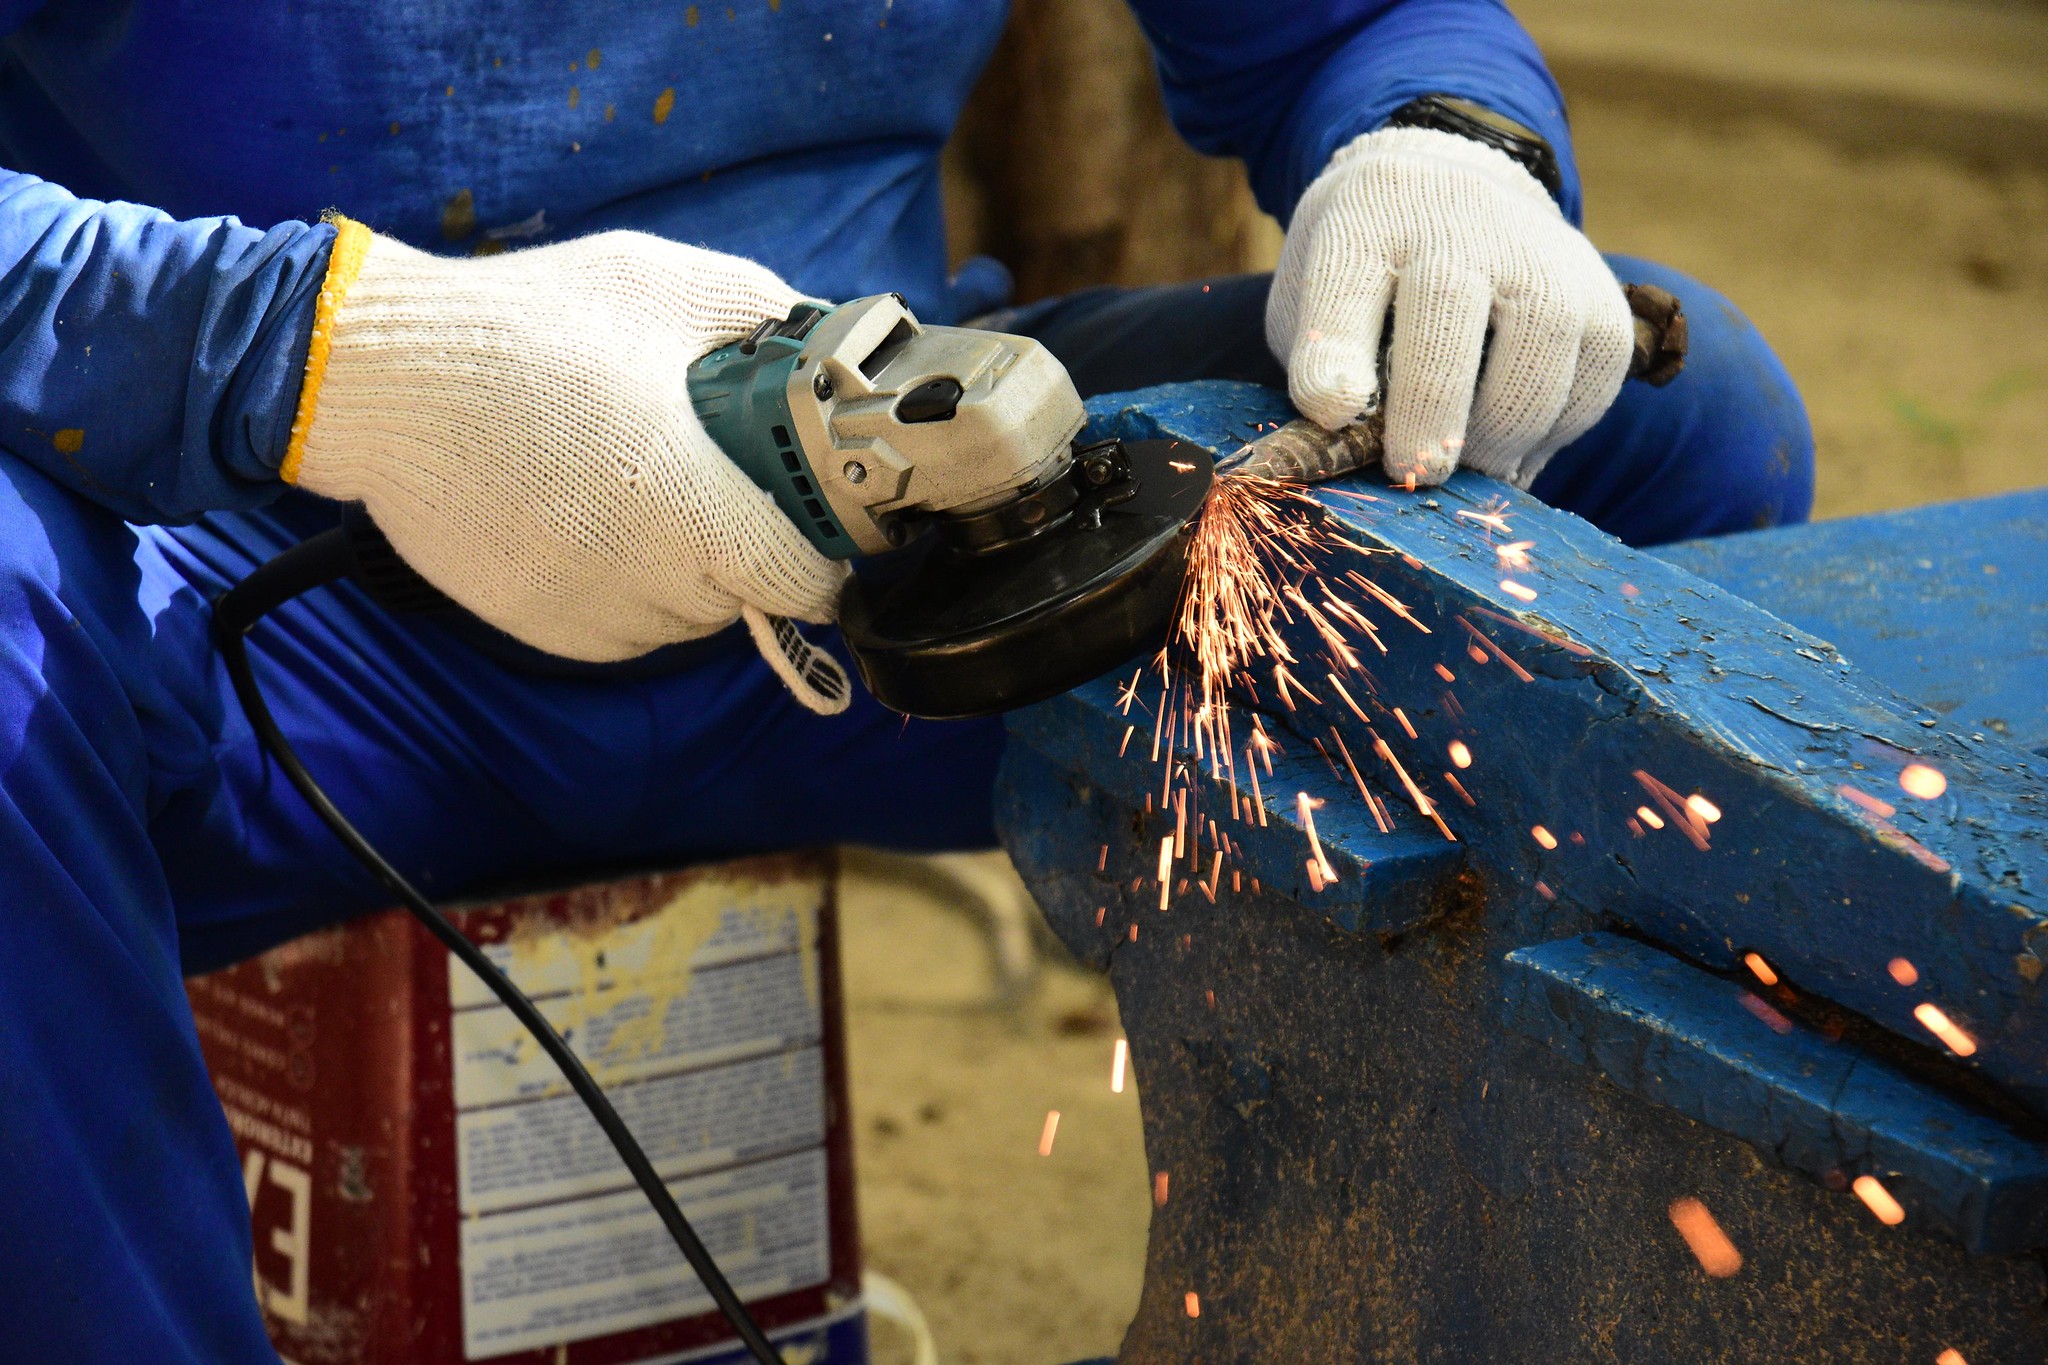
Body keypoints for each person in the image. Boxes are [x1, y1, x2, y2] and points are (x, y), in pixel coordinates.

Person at [0, 1, 1812, 1358]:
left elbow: (1346, 20)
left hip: (897, 557)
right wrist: (327, 356)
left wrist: (1447, 135)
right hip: (254, 611)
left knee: (1653, 427)